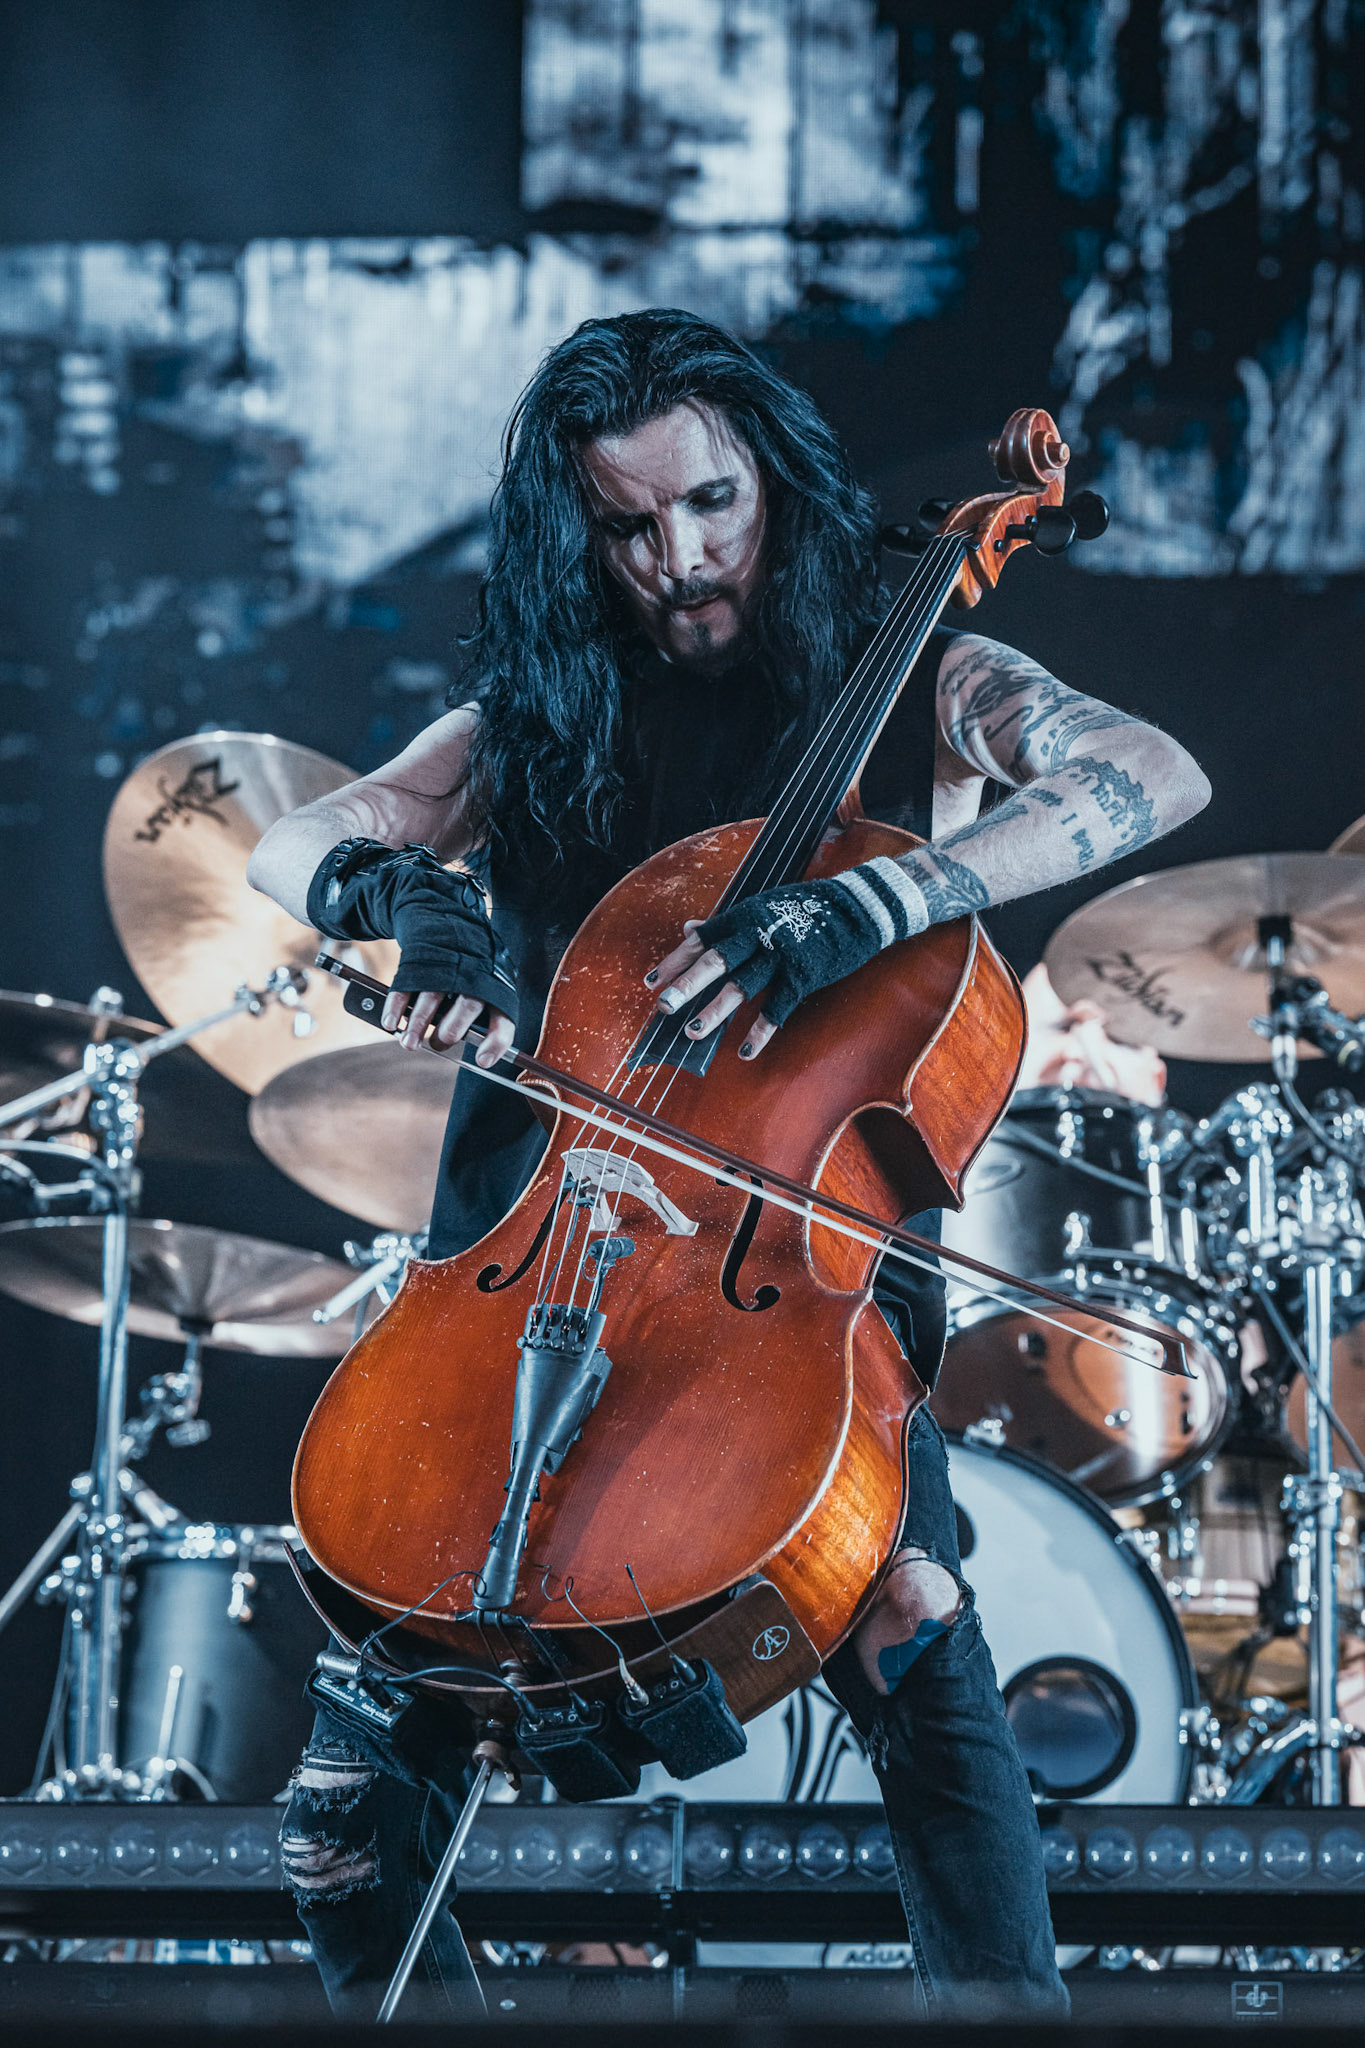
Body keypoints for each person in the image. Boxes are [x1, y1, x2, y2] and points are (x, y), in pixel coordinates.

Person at [248, 310, 1210, 2019]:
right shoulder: (533, 713)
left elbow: (1152, 768)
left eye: (709, 505)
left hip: (794, 1277)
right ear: (575, 531)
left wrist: (880, 895)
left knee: (905, 1601)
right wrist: (402, 900)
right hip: (529, 1255)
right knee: (341, 1801)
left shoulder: (915, 673)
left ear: (770, 477)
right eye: (624, 526)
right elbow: (296, 831)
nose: (677, 560)